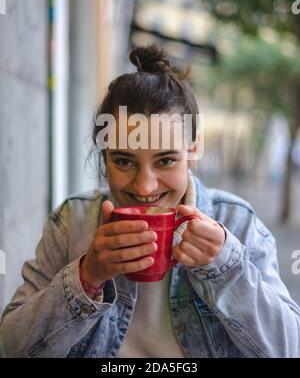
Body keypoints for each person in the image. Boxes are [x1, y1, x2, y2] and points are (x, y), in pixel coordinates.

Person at [1, 44, 300, 358]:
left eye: (166, 161)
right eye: (124, 162)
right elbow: (11, 348)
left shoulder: (238, 223)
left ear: (194, 150)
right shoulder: (71, 224)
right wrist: (86, 277)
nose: (145, 187)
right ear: (104, 158)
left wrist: (227, 270)